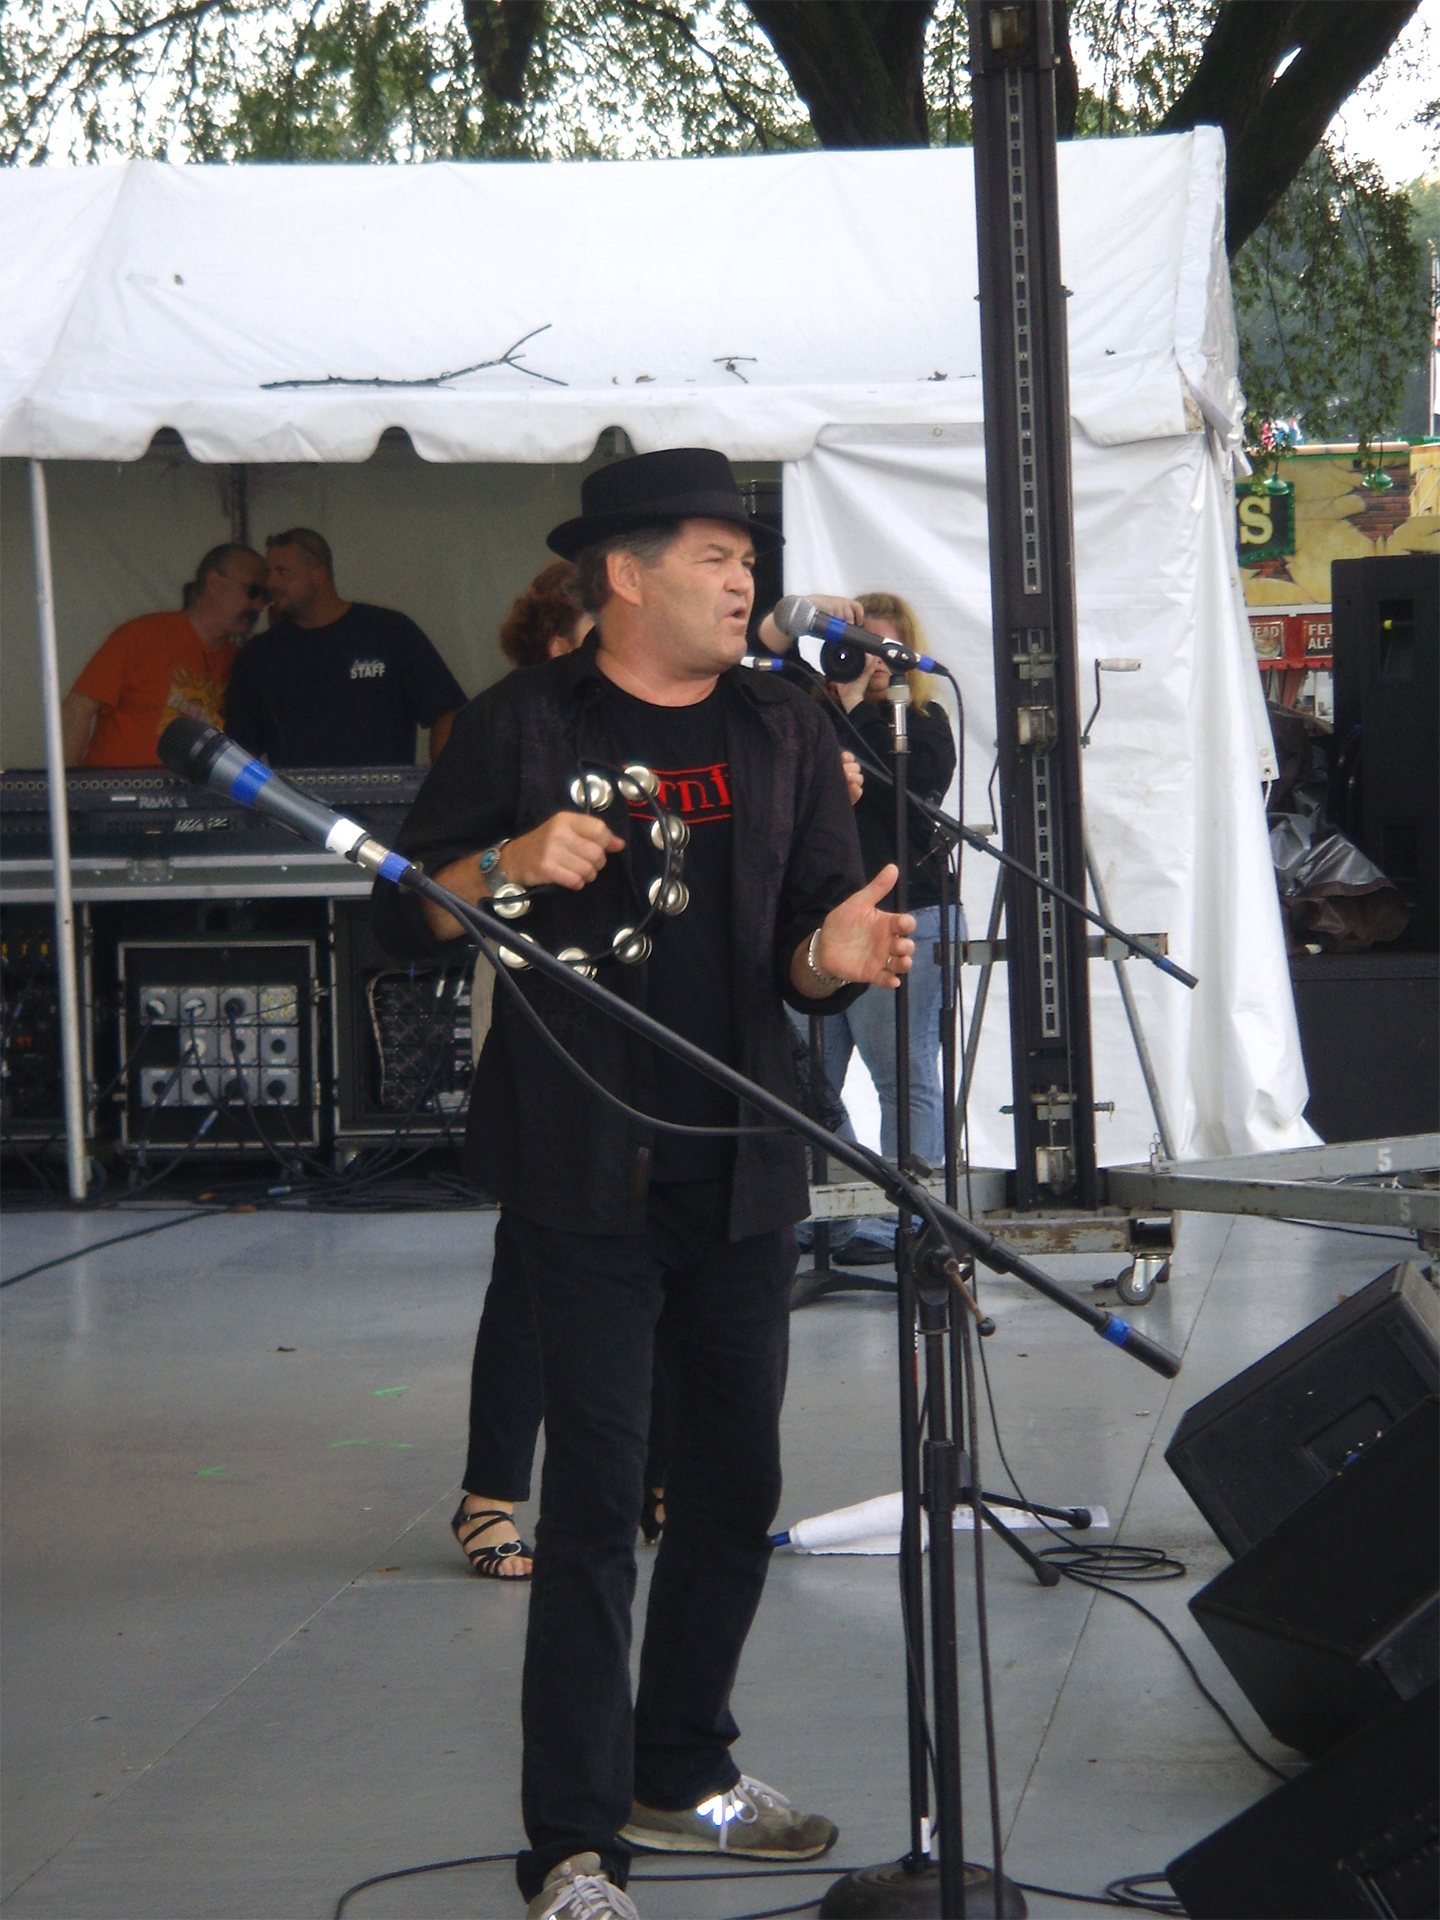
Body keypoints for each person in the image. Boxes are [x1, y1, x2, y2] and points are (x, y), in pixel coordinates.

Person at [372, 448, 915, 1920]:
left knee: (734, 1488)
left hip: (742, 1157)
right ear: (624, 574)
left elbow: (806, 944)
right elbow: (398, 917)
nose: (745, 583)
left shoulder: (784, 721)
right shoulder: (521, 722)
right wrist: (504, 862)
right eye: (715, 558)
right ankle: (571, 1845)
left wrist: (834, 959)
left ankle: (680, 1768)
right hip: (581, 1161)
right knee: (599, 1502)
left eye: (750, 562)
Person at [759, 592, 957, 1217]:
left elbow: (903, 790)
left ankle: (913, 1220)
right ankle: (846, 1215)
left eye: (882, 649)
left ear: (904, 656)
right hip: (821, 923)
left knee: (902, 1074)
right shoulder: (808, 716)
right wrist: (804, 618)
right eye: (857, 646)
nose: (869, 662)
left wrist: (852, 708)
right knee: (802, 1080)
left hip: (908, 912)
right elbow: (752, 667)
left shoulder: (924, 724)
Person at [224, 527, 465, 766]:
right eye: (269, 573)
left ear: (319, 574)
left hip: (386, 791)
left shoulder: (389, 632)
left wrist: (445, 780)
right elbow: (240, 752)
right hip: (290, 792)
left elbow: (447, 711)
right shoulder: (259, 656)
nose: (271, 583)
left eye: (282, 572)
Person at [61, 543, 268, 767]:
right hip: (118, 786)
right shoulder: (142, 635)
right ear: (215, 584)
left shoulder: (241, 663)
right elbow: (77, 709)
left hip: (191, 789)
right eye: (253, 592)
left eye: (265, 597)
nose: (259, 606)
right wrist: (67, 785)